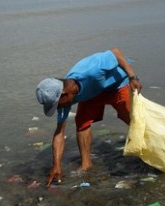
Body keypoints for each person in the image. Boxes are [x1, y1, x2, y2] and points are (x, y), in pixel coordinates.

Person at [35, 48, 142, 187]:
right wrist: (56, 165)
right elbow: (59, 133)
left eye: (56, 105)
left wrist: (132, 77)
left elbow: (115, 52)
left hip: (116, 84)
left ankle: (153, 149)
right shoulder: (65, 99)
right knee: (82, 122)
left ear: (64, 94)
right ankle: (86, 164)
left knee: (133, 120)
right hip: (93, 93)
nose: (58, 108)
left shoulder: (91, 70)